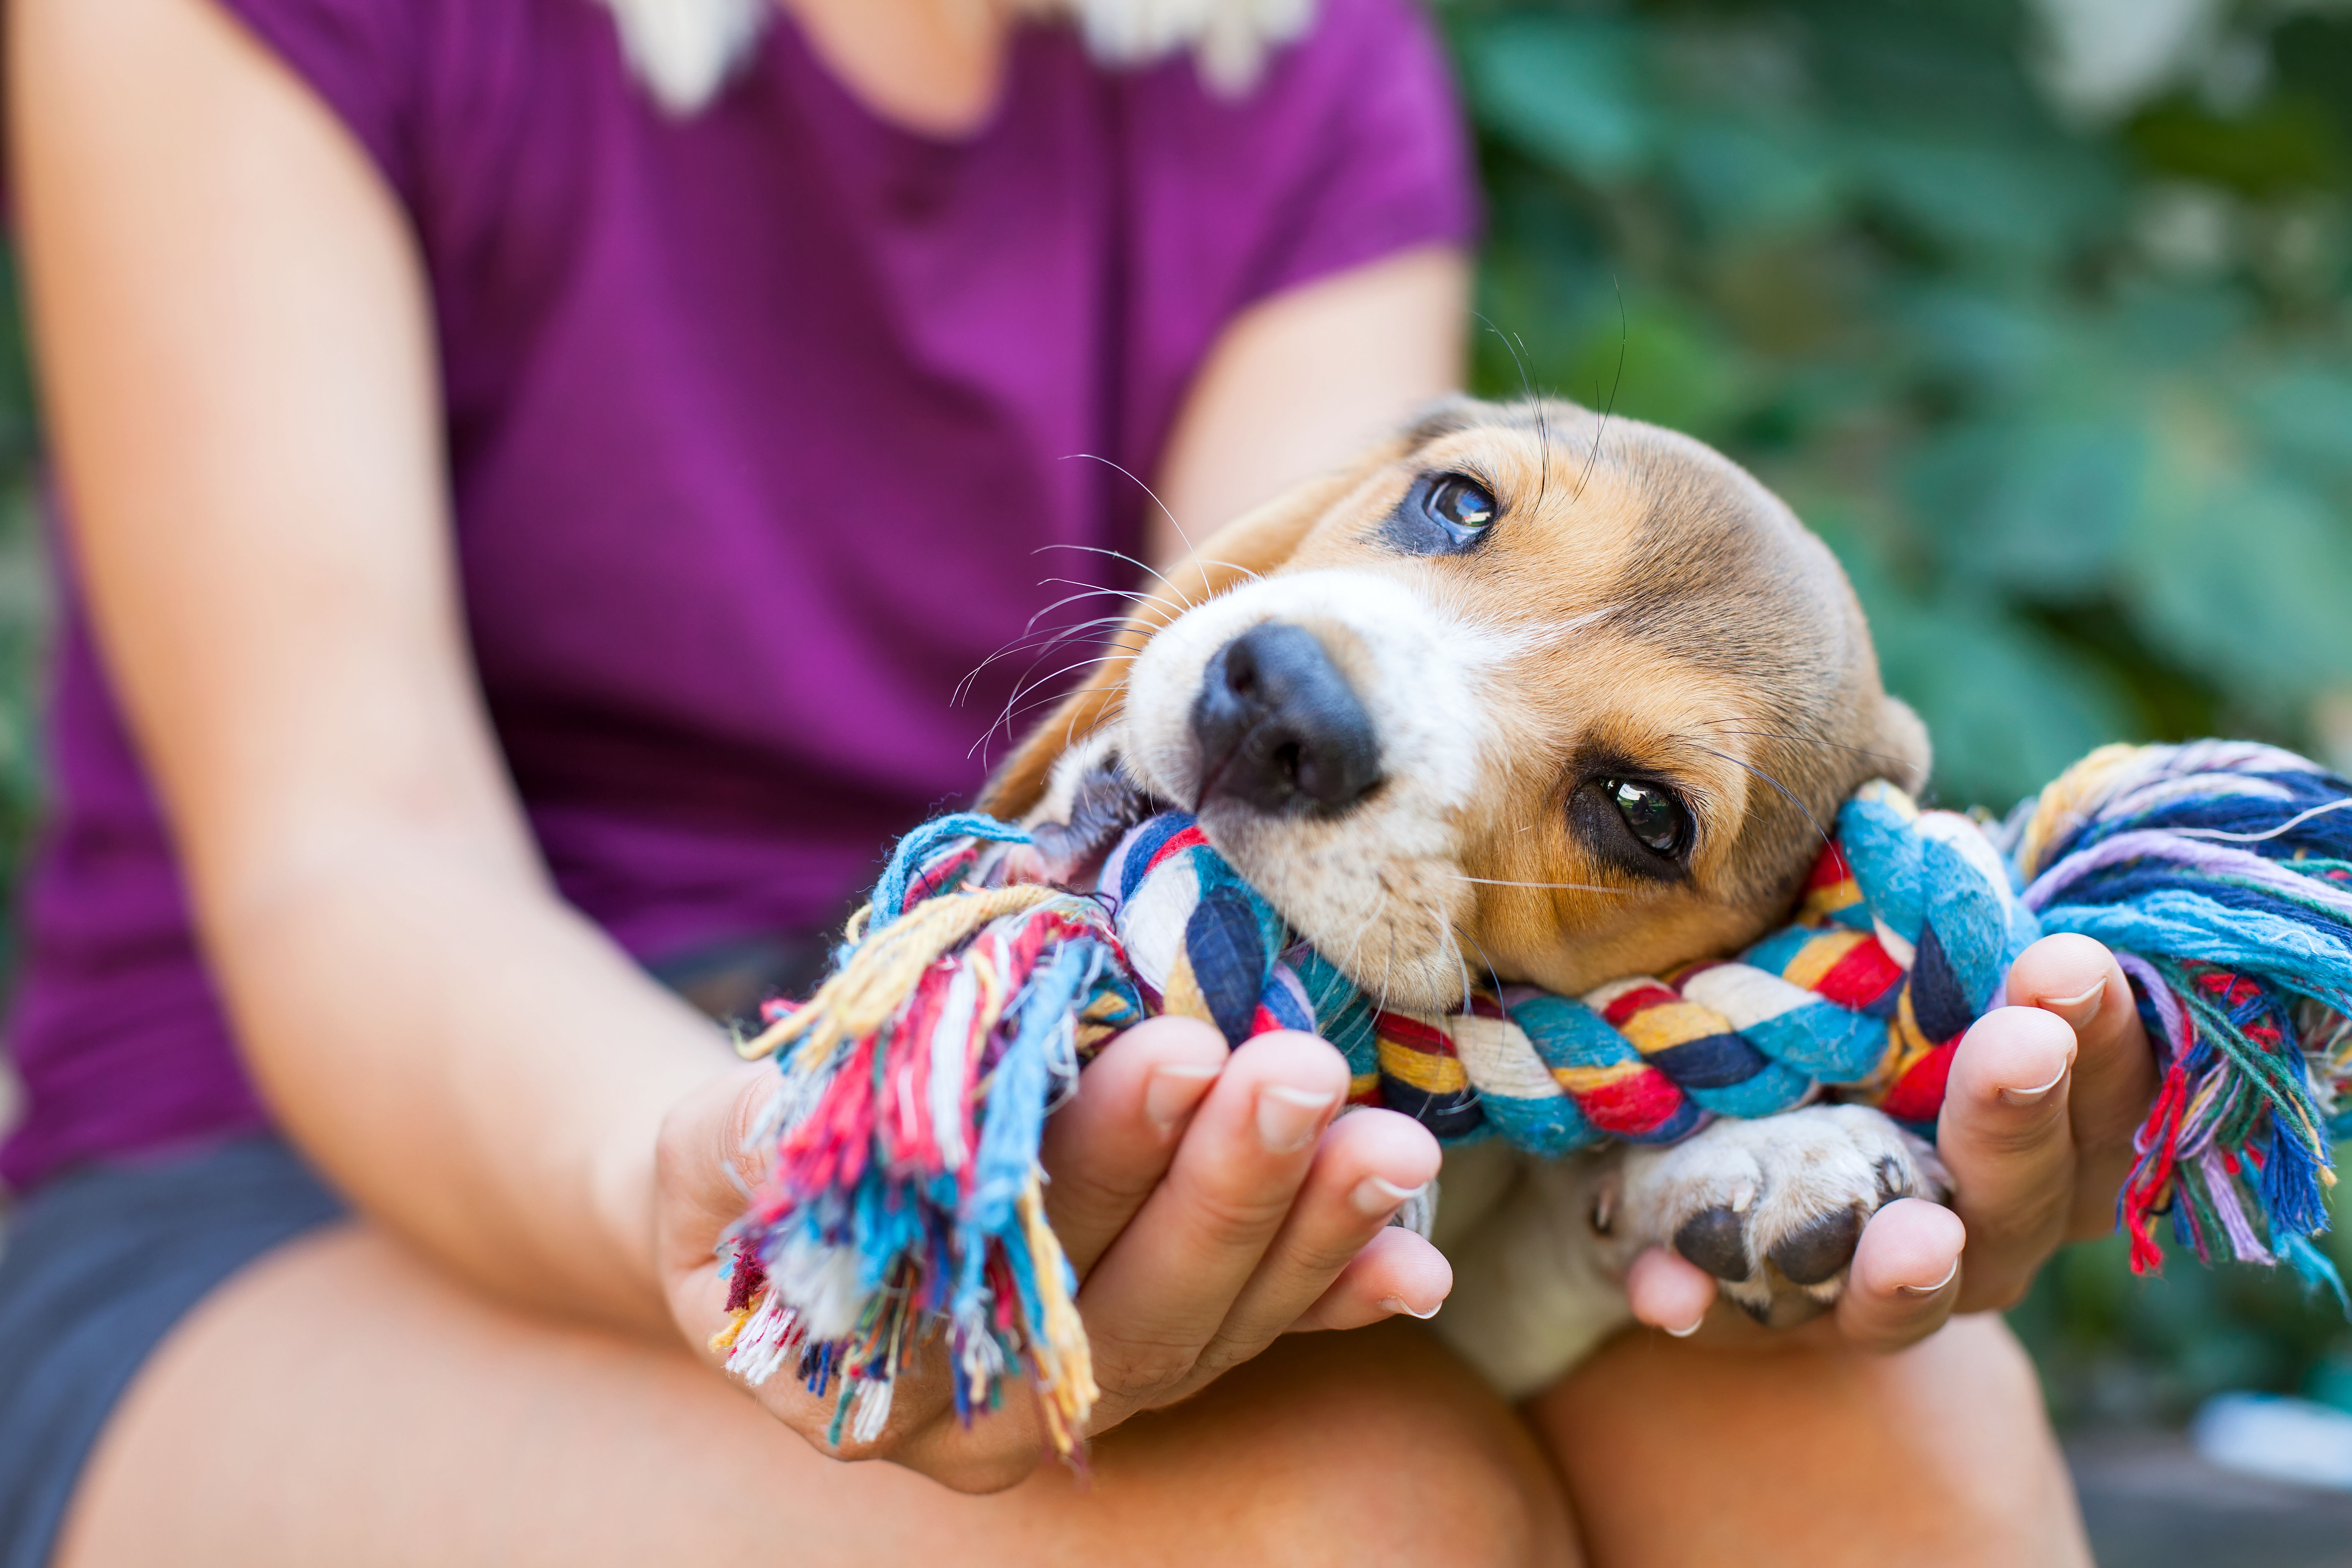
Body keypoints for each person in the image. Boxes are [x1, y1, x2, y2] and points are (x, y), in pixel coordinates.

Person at [0, 0, 2144, 1561]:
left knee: (1898, 1451)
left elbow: (1306, 865)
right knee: (1343, 1523)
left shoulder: (1293, 60)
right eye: (1468, 516)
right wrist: (731, 1178)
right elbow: (349, 851)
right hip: (318, 1171)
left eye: (1642, 810)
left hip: (1069, 1076)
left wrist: (1806, 1100)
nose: (1324, 668)